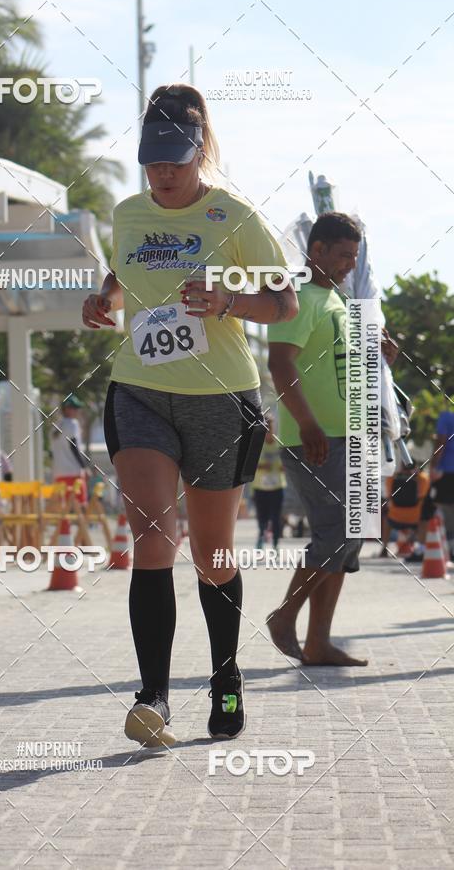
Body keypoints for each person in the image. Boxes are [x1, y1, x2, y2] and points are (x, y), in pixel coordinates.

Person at [82, 83, 298, 746]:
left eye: (175, 160)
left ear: (199, 150)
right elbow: (121, 277)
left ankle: (226, 676)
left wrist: (226, 301)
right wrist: (102, 299)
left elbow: (283, 303)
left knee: (212, 554)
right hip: (140, 389)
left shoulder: (232, 214)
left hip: (221, 400)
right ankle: (152, 698)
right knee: (152, 535)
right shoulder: (126, 213)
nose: (164, 174)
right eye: (152, 161)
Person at [267, 211, 376, 666]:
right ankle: (284, 616)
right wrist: (308, 424)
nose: (351, 263)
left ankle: (317, 643)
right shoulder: (301, 298)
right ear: (317, 251)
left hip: (349, 436)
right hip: (316, 438)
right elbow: (279, 363)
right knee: (335, 534)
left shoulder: (337, 301)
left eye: (355, 256)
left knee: (349, 538)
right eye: (345, 255)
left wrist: (380, 352)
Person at [250, 415, 285, 549]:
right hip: (260, 487)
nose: (268, 430)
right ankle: (261, 538)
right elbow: (250, 465)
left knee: (276, 518)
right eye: (265, 427)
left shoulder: (279, 444)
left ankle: (275, 543)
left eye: (270, 427)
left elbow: (288, 463)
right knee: (262, 517)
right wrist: (260, 466)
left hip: (277, 487)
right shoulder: (257, 445)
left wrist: (284, 467)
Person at [50, 394, 89, 504]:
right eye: (74, 408)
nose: (77, 411)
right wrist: (84, 467)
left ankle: (65, 523)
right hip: (74, 471)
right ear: (67, 409)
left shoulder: (55, 426)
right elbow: (74, 446)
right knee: (80, 505)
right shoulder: (73, 424)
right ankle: (83, 522)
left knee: (63, 506)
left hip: (58, 472)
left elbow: (51, 452)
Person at [430, 393, 454, 559]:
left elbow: (441, 441)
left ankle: (448, 545)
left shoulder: (446, 416)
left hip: (448, 469)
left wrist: (433, 466)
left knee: (442, 506)